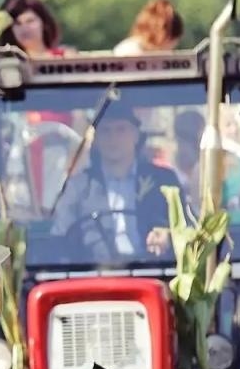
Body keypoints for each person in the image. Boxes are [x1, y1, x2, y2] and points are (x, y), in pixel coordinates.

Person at [50, 99, 184, 260]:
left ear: (136, 135)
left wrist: (169, 236)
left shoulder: (164, 181)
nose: (113, 138)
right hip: (92, 276)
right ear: (97, 139)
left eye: (121, 130)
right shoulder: (78, 187)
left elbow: (187, 229)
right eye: (105, 131)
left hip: (154, 273)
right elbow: (59, 240)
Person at [0, 0, 69, 58]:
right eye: (18, 23)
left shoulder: (65, 58)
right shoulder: (7, 65)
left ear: (44, 23)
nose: (24, 28)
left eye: (30, 21)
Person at [114, 0, 184, 55]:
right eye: (170, 47)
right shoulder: (128, 52)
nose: (170, 51)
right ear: (167, 39)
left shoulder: (123, 48)